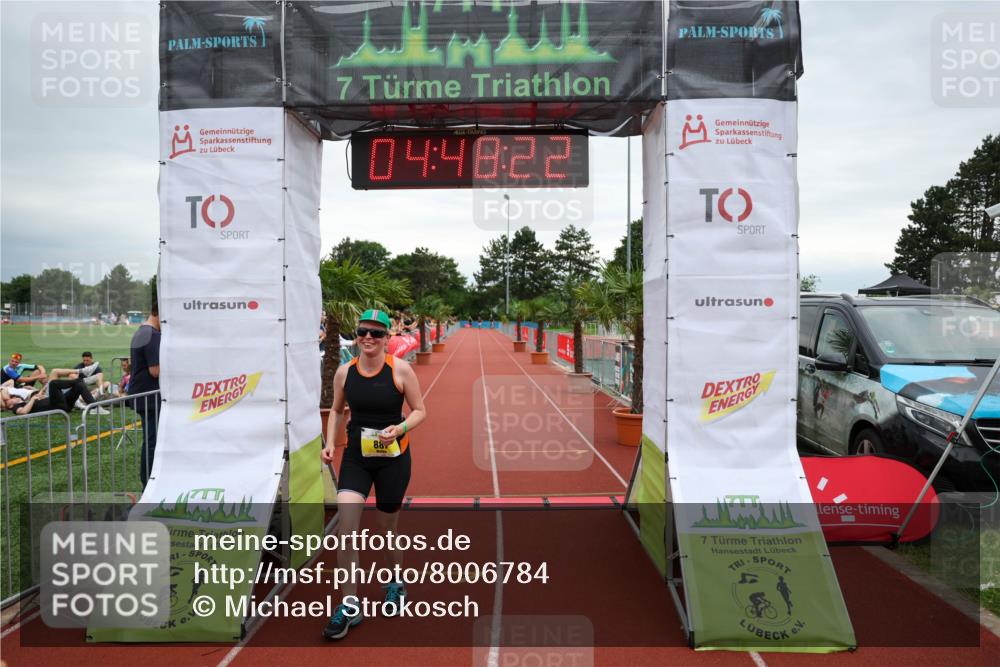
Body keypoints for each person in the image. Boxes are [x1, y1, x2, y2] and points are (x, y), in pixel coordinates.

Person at [321, 309, 427, 641]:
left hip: (394, 459)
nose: (368, 337)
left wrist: (400, 427)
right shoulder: (343, 373)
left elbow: (421, 410)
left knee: (386, 528)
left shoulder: (401, 371)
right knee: (347, 528)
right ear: (357, 335)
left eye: (376, 334)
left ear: (386, 339)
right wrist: (328, 443)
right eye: (363, 331)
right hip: (357, 457)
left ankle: (396, 581)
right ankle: (349, 604)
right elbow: (336, 410)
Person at [128, 303, 161, 487]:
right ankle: (149, 482)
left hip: (143, 396)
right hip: (149, 397)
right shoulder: (152, 335)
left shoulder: (142, 331)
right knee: (152, 442)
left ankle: (148, 480)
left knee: (151, 441)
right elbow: (155, 371)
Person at [1, 377, 100, 415]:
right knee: (53, 383)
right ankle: (80, 379)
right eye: (10, 399)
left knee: (79, 386)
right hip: (57, 407)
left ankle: (95, 407)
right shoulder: (15, 407)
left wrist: (40, 395)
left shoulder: (23, 401)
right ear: (9, 406)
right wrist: (33, 399)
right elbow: (23, 412)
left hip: (63, 404)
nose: (12, 397)